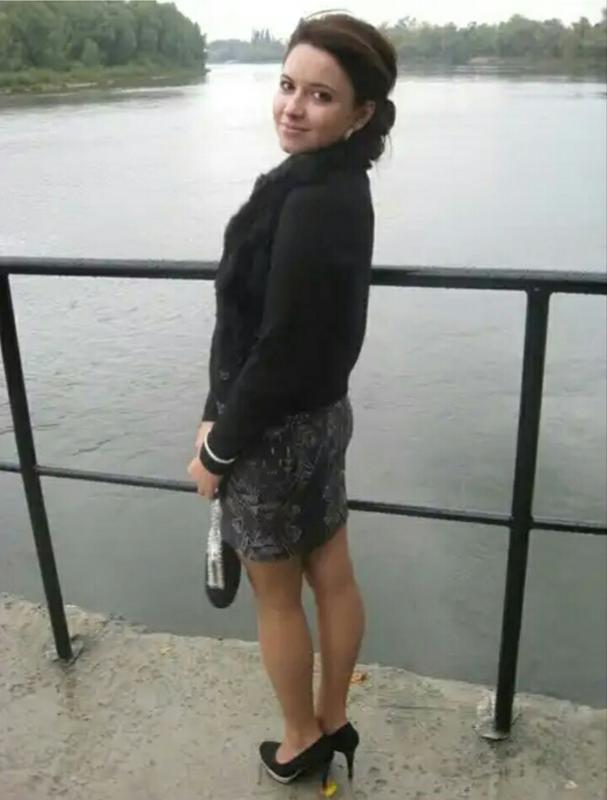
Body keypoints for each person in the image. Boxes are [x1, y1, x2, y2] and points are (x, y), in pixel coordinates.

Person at [188, 11, 397, 790]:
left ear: (360, 113)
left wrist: (217, 447)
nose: (292, 107)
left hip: (270, 434)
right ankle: (333, 718)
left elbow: (273, 347)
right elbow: (286, 333)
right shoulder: (342, 185)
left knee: (276, 598)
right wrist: (216, 409)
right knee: (332, 573)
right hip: (321, 420)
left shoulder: (306, 200)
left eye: (319, 95)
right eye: (286, 85)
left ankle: (299, 738)